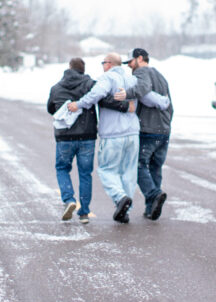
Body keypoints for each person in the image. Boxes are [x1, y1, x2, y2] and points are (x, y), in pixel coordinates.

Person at [68, 52, 169, 223]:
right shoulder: (132, 80)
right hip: (132, 134)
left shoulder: (107, 78)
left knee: (106, 169)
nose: (102, 66)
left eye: (103, 63)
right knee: (129, 172)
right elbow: (149, 98)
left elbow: (95, 95)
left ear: (108, 64)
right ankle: (125, 210)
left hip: (113, 134)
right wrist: (164, 101)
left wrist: (78, 105)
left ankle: (120, 198)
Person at [47, 57, 130, 224]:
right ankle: (84, 212)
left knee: (62, 168)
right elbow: (105, 100)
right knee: (85, 173)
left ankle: (69, 200)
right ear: (83, 70)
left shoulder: (56, 88)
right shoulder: (91, 85)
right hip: (87, 137)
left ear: (69, 68)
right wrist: (126, 106)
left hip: (64, 137)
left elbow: (51, 108)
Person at [115, 48, 173, 221]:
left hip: (148, 129)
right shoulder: (161, 76)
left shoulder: (141, 73)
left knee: (138, 165)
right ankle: (151, 208)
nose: (129, 66)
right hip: (164, 130)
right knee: (155, 167)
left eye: (130, 62)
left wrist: (126, 94)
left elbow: (143, 88)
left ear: (140, 59)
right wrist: (167, 124)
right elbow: (170, 104)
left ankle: (153, 194)